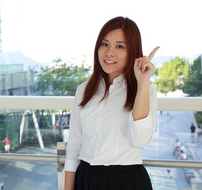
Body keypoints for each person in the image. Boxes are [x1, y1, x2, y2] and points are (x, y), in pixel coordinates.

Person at [64, 17, 159, 190]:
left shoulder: (146, 89)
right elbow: (73, 149)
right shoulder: (83, 90)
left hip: (127, 181)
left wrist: (142, 83)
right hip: (86, 179)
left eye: (120, 46)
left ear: (133, 51)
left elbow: (140, 141)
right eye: (105, 44)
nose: (109, 53)